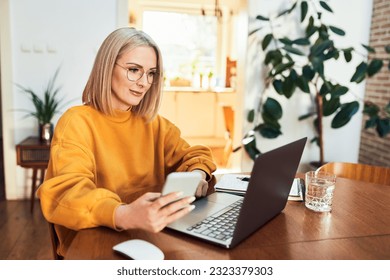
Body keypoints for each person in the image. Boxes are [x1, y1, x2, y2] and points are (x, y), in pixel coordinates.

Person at [37, 27, 217, 257]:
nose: (144, 82)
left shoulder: (153, 124)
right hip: (94, 240)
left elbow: (194, 155)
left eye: (151, 73)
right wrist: (124, 213)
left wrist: (199, 174)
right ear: (106, 67)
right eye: (134, 70)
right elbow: (68, 192)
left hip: (149, 236)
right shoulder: (76, 122)